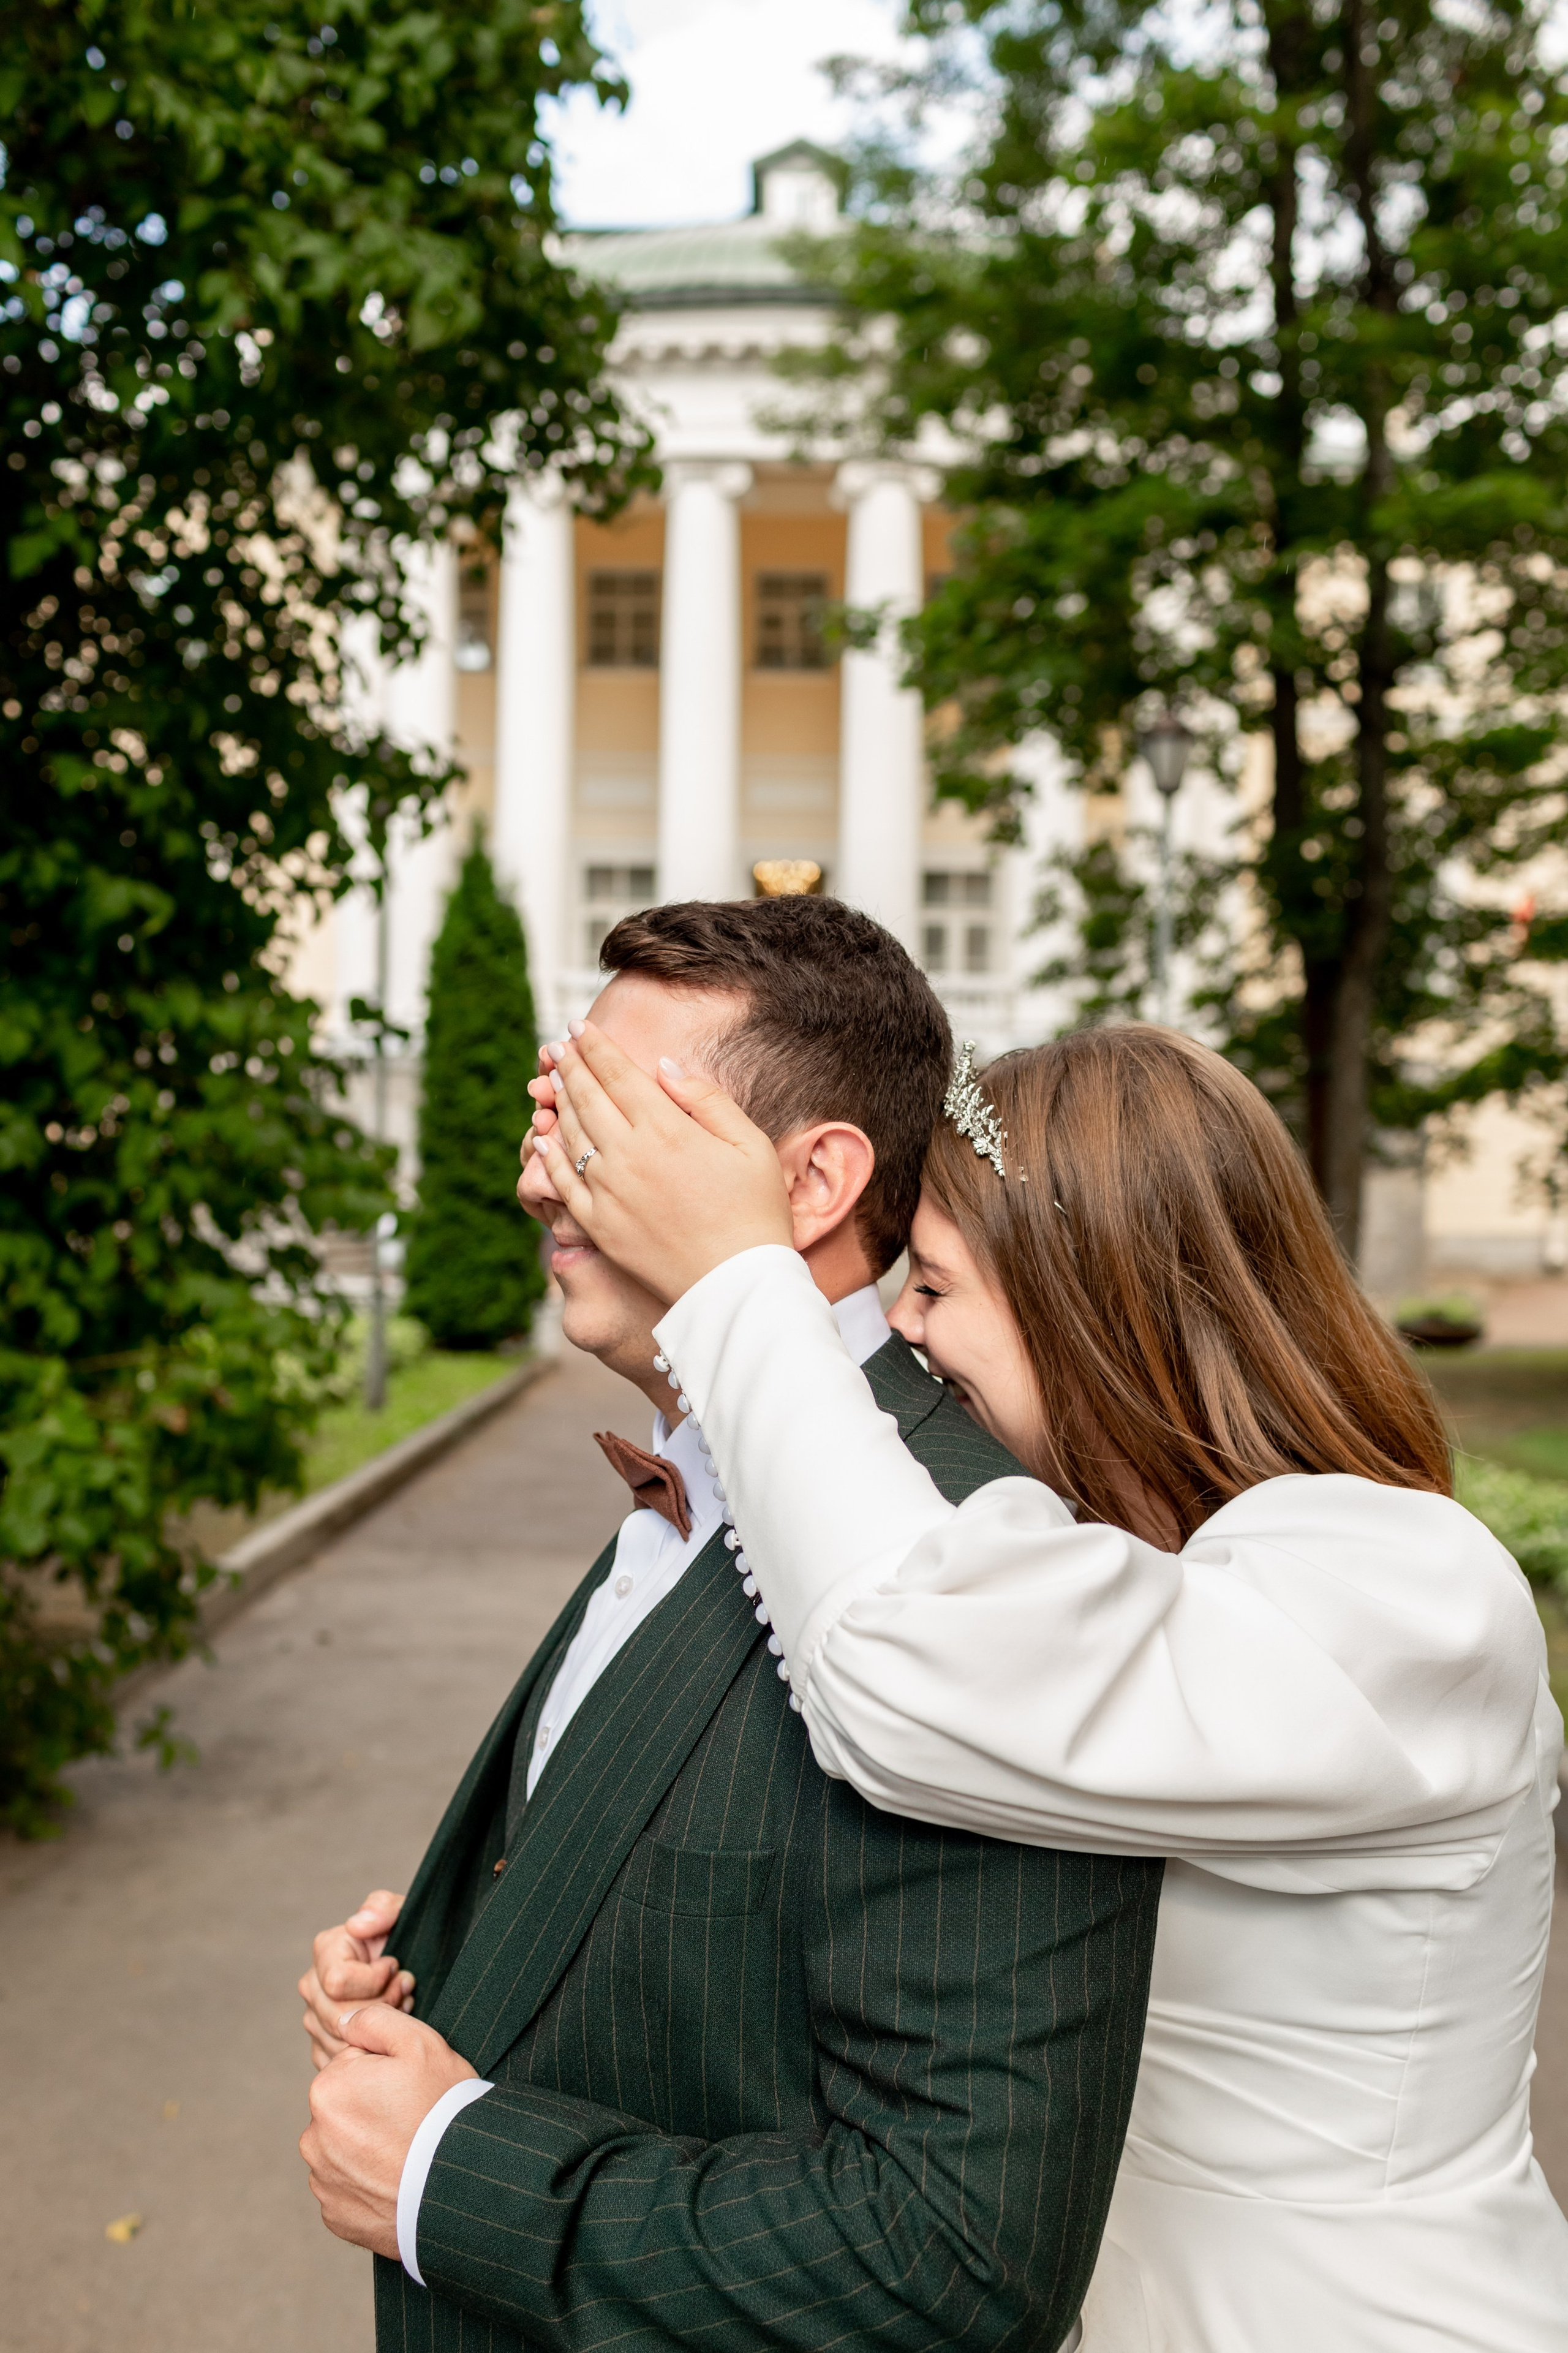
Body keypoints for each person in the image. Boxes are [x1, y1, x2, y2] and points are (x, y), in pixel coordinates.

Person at [535, 1016, 1568, 2353]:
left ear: (1097, 1297)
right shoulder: (1125, 1566)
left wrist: (739, 1280)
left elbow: (906, 1655)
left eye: (936, 1286)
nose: (902, 1329)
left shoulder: (1404, 1588)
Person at [298, 897, 1164, 2353]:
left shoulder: (970, 1572)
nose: (537, 1166)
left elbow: (952, 2261)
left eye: (609, 1112)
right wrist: (432, 1990)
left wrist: (445, 2164)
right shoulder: (693, 1462)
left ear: (812, 1178)